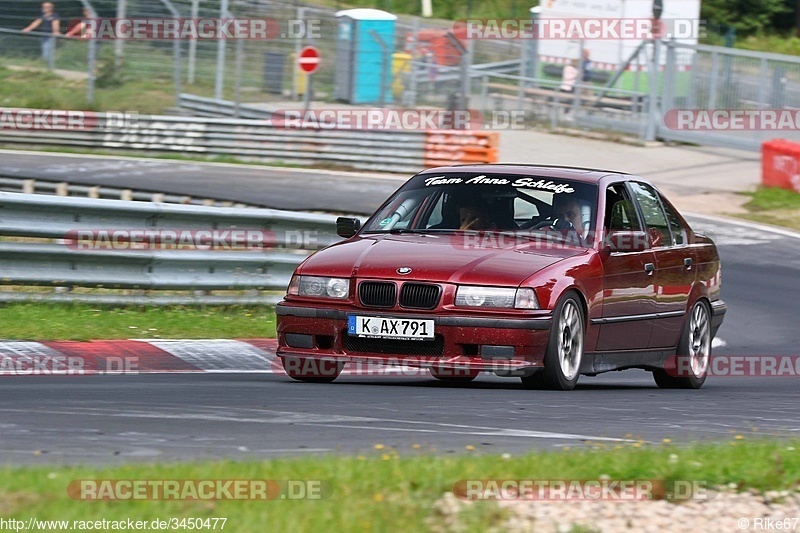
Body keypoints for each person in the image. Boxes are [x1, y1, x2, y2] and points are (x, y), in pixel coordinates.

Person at [22, 2, 61, 69]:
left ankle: (51, 67)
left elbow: (55, 24)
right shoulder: (42, 16)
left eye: (46, 7)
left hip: (51, 36)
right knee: (45, 51)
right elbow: (36, 23)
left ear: (51, 8)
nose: (43, 9)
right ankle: (48, 66)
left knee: (48, 51)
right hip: (44, 36)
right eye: (43, 7)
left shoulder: (54, 16)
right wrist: (28, 29)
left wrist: (56, 31)